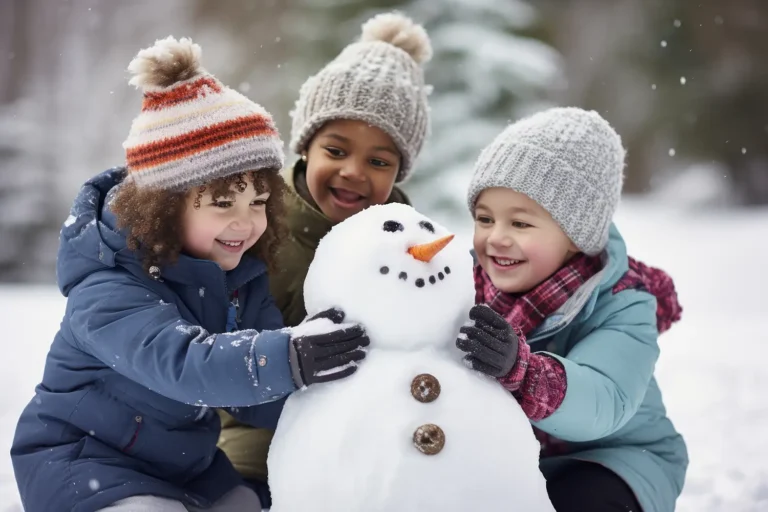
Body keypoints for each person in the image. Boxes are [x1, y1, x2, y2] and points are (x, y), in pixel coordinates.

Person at [10, 36, 367, 512]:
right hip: (85, 461)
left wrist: (348, 388)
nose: (246, 222)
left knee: (252, 502)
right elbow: (183, 363)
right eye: (223, 204)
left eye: (258, 203)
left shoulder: (239, 278)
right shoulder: (106, 286)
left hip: (184, 466)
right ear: (161, 208)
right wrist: (289, 357)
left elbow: (257, 400)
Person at [216, 12, 433, 505]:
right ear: (306, 148)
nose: (354, 172)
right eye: (336, 150)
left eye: (379, 161)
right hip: (256, 426)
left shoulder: (406, 242)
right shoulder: (258, 229)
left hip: (363, 435)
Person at [457, 107, 688, 512]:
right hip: (514, 462)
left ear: (577, 236)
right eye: (485, 218)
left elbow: (604, 399)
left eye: (521, 224)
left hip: (612, 458)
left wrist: (525, 372)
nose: (496, 238)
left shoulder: (624, 302)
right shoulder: (462, 286)